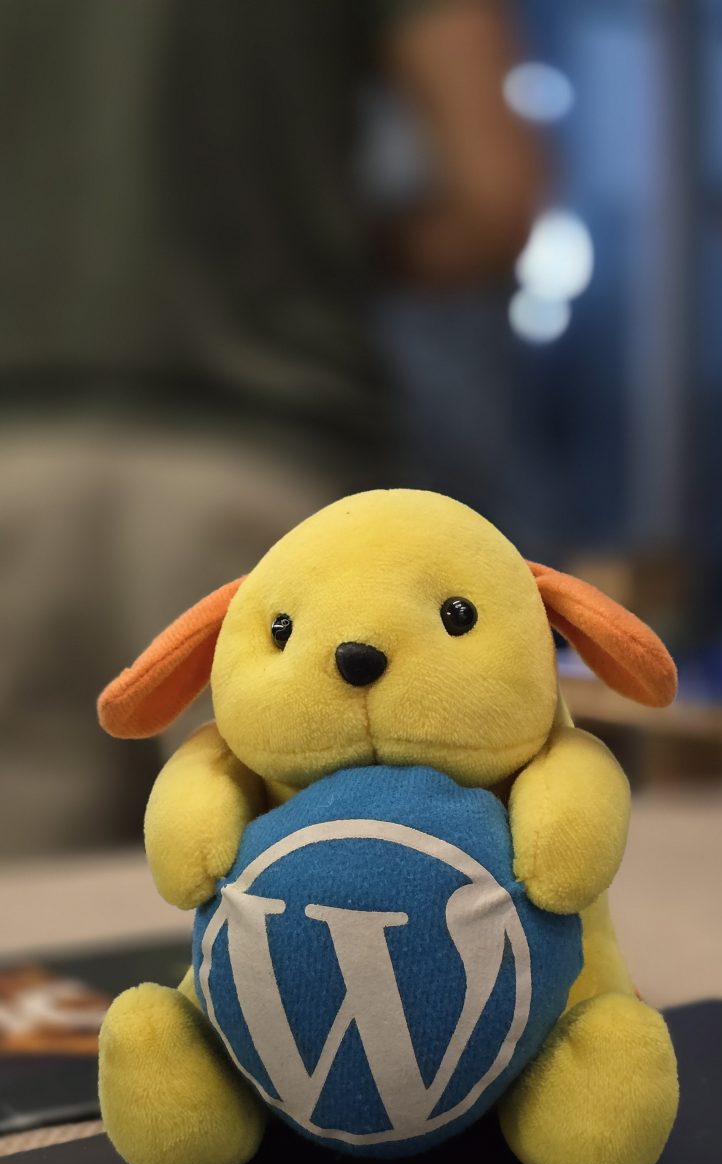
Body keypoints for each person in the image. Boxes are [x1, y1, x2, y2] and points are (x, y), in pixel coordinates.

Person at [0, 0, 543, 856]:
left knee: (22, 934)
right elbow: (493, 199)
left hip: (16, 468)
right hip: (258, 463)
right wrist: (318, 251)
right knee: (294, 901)